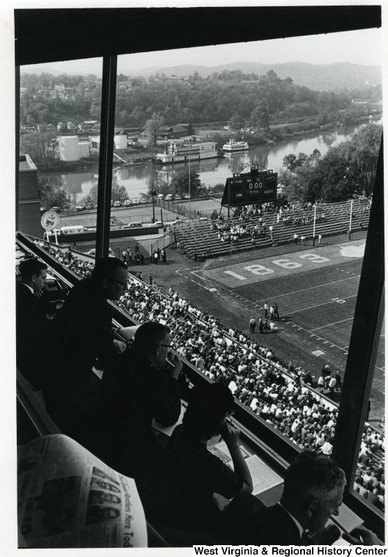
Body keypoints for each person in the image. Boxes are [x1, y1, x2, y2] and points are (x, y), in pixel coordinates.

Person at [158, 383, 253, 545]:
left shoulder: (180, 431)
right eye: (225, 416)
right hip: (188, 525)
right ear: (216, 422)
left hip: (169, 507)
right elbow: (246, 488)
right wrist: (233, 445)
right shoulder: (207, 462)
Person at [46, 258, 128, 437]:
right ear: (106, 282)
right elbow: (105, 354)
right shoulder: (102, 309)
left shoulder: (84, 286)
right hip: (72, 372)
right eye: (122, 284)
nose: (126, 289)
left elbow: (86, 328)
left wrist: (107, 337)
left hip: (55, 359)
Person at [90, 322, 183, 480]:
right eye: (168, 347)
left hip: (98, 432)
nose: (169, 351)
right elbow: (169, 417)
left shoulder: (119, 359)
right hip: (125, 449)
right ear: (158, 349)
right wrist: (174, 378)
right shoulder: (153, 377)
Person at [16, 258, 50, 390]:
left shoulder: (18, 290)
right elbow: (42, 331)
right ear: (34, 278)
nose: (45, 282)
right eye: (43, 278)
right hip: (31, 363)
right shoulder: (31, 301)